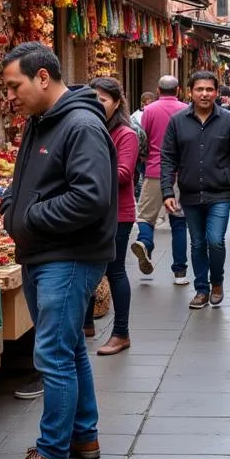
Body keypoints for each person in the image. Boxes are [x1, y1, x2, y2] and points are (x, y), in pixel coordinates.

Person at [0, 43, 116, 459]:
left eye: (15, 85)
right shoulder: (40, 121)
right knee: (67, 350)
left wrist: (27, 218)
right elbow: (23, 178)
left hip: (68, 257)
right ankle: (83, 435)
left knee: (51, 354)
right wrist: (12, 205)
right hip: (46, 252)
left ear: (43, 78)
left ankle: (52, 452)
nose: (10, 95)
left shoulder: (81, 124)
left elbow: (90, 197)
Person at [161, 71, 230, 308]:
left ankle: (217, 282)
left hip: (220, 192)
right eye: (199, 89)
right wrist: (167, 192)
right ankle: (202, 289)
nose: (204, 94)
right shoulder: (177, 121)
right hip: (190, 193)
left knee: (215, 240)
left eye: (209, 89)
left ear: (216, 92)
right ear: (189, 92)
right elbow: (168, 158)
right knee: (198, 243)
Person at [83, 77, 138, 357]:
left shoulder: (125, 134)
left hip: (118, 214)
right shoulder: (88, 128)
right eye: (92, 98)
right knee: (89, 266)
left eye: (103, 99)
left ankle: (121, 333)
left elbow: (124, 174)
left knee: (114, 271)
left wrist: (83, 177)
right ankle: (87, 323)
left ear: (116, 103)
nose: (97, 104)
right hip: (89, 211)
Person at [133, 76, 190, 285]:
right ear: (179, 89)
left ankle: (145, 243)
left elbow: (143, 139)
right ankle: (180, 273)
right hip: (181, 172)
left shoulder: (149, 111)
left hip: (155, 170)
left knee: (145, 216)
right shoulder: (186, 110)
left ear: (158, 90)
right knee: (178, 222)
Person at [130, 91, 155, 199]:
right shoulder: (136, 116)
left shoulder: (134, 116)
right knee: (143, 176)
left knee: (143, 176)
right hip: (145, 153)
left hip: (142, 153)